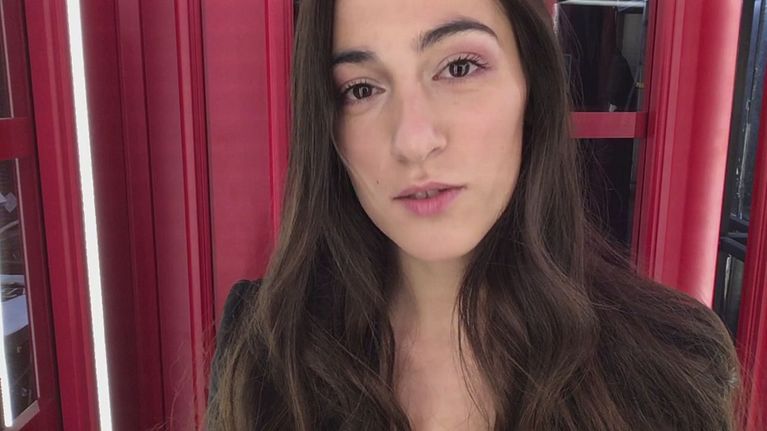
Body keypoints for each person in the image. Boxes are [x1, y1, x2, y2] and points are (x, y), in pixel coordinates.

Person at [206, 0, 742, 429]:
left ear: (533, 85)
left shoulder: (674, 359)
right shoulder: (267, 350)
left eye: (458, 67)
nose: (413, 140)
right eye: (361, 89)